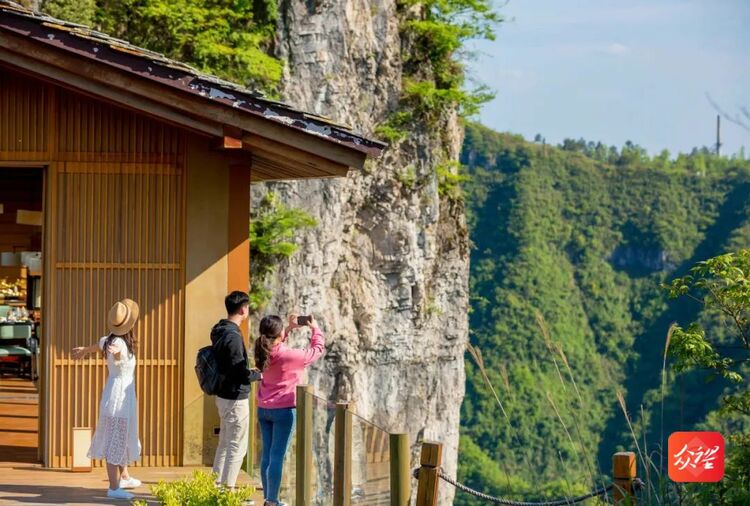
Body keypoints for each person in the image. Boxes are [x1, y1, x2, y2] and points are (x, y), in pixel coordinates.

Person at [71, 298, 142, 500]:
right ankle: (113, 487)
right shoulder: (118, 342)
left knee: (122, 433)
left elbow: (99, 345)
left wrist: (84, 350)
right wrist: (117, 355)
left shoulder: (109, 339)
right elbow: (116, 353)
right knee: (115, 438)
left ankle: (125, 476)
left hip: (115, 392)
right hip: (119, 396)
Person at [255, 313, 325, 506]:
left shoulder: (261, 351)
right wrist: (315, 329)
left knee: (267, 455)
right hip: (284, 411)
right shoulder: (291, 356)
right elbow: (316, 350)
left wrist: (288, 329)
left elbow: (274, 344)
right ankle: (271, 501)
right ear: (278, 335)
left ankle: (268, 498)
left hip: (263, 409)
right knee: (277, 456)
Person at [211, 290, 258, 490]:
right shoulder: (234, 337)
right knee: (236, 445)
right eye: (247, 307)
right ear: (243, 309)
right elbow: (239, 371)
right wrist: (257, 375)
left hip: (222, 395)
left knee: (224, 442)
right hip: (235, 397)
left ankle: (215, 485)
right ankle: (228, 490)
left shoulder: (218, 330)